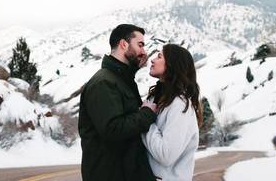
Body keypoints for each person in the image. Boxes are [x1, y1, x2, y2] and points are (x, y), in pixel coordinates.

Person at [78, 23, 157, 181]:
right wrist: (147, 114)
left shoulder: (122, 80)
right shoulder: (103, 83)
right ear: (123, 44)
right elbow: (113, 129)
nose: (144, 52)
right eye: (140, 45)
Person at [141, 44, 201, 181]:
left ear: (173, 64)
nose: (152, 60)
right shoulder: (157, 97)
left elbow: (166, 155)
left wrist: (145, 119)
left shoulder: (179, 105)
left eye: (159, 56)